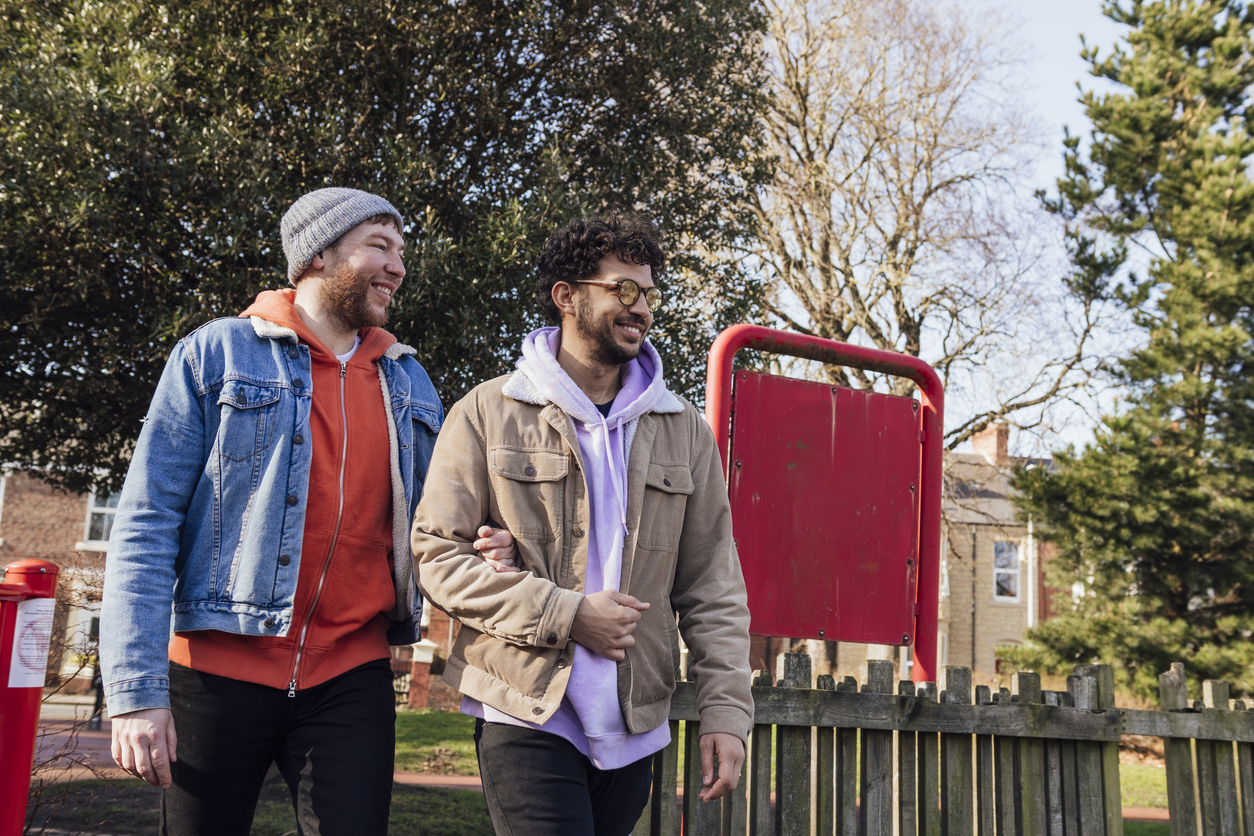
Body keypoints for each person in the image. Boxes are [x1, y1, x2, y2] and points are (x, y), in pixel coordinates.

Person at [99, 187, 515, 836]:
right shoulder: (217, 355)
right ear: (318, 254)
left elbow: (442, 524)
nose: (398, 266)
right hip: (216, 668)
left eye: (401, 250)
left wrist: (493, 545)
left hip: (351, 674)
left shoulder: (410, 384)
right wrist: (133, 692)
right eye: (379, 245)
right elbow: (146, 523)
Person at [412, 214, 753, 836]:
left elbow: (713, 586)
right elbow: (436, 556)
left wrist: (726, 712)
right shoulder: (488, 413)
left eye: (649, 293)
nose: (641, 307)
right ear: (567, 296)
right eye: (623, 289)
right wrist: (567, 614)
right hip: (526, 707)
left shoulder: (684, 430)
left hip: (635, 722)